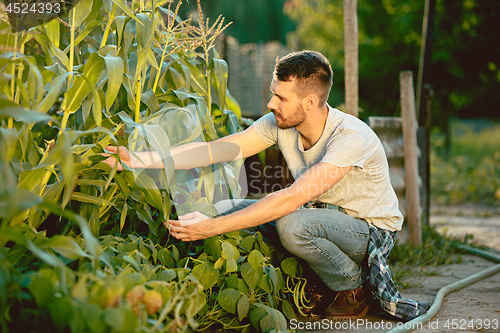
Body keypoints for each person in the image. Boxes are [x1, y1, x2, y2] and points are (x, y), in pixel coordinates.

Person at [103, 51, 429, 321]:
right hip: (320, 218)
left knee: (290, 224)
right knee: (225, 208)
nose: (271, 103)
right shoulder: (281, 123)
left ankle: (352, 288)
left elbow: (292, 198)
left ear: (310, 102)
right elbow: (217, 149)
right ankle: (309, 281)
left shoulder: (349, 139)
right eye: (274, 92)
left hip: (369, 231)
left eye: (280, 97)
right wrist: (139, 158)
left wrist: (211, 228)